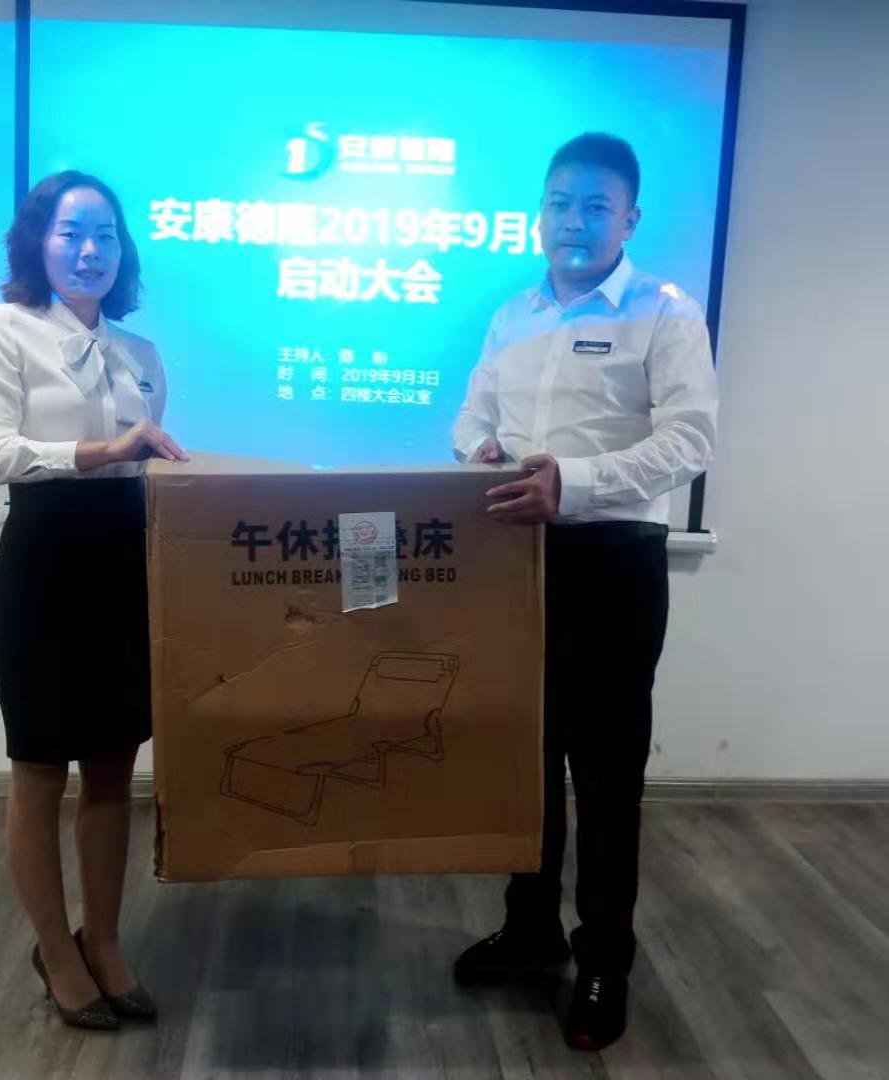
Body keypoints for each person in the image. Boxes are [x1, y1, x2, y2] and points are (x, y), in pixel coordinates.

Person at [451, 133, 718, 1051]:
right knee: (524, 762)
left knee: (604, 776)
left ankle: (604, 956)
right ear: (540, 211)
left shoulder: (665, 314)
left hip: (612, 563)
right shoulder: (512, 314)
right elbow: (470, 415)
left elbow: (690, 442)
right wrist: (478, 450)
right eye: (559, 203)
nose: (573, 221)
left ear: (628, 220)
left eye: (595, 207)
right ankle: (529, 930)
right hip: (516, 561)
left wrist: (572, 482)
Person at [0, 171, 187, 1030]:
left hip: (123, 565)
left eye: (105, 234)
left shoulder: (141, 354)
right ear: (38, 241)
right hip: (44, 564)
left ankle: (106, 940)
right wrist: (100, 452)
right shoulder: (4, 328)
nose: (90, 250)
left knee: (112, 765)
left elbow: (146, 462)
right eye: (71, 232)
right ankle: (55, 950)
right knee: (37, 768)